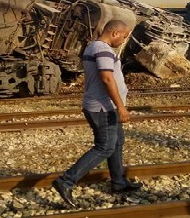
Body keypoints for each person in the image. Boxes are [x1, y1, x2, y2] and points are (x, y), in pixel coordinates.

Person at [52, 20, 142, 208]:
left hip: (107, 106)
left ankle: (119, 183)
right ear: (115, 33)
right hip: (103, 108)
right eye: (124, 37)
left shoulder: (96, 47)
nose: (123, 41)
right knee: (104, 147)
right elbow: (107, 78)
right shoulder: (102, 50)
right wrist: (121, 107)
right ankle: (66, 181)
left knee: (117, 142)